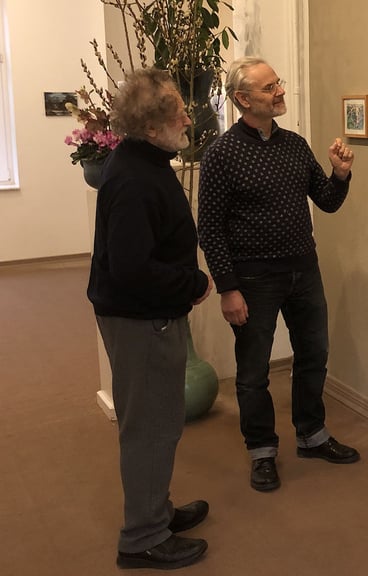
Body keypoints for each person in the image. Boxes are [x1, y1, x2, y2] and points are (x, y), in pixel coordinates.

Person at [198, 56, 360, 493]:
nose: (280, 92)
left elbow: (325, 201)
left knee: (315, 355)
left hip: (304, 271)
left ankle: (311, 434)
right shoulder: (221, 155)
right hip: (253, 280)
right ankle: (262, 451)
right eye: (269, 88)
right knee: (253, 372)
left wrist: (341, 174)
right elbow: (209, 229)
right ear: (242, 99)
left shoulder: (295, 145)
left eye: (278, 84)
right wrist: (228, 289)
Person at [87, 68, 214, 570]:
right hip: (140, 321)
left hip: (147, 316)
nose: (188, 116)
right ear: (153, 125)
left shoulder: (142, 161)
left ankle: (155, 510)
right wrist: (194, 284)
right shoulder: (136, 179)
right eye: (177, 111)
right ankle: (142, 538)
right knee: (150, 429)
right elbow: (131, 268)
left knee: (157, 422)